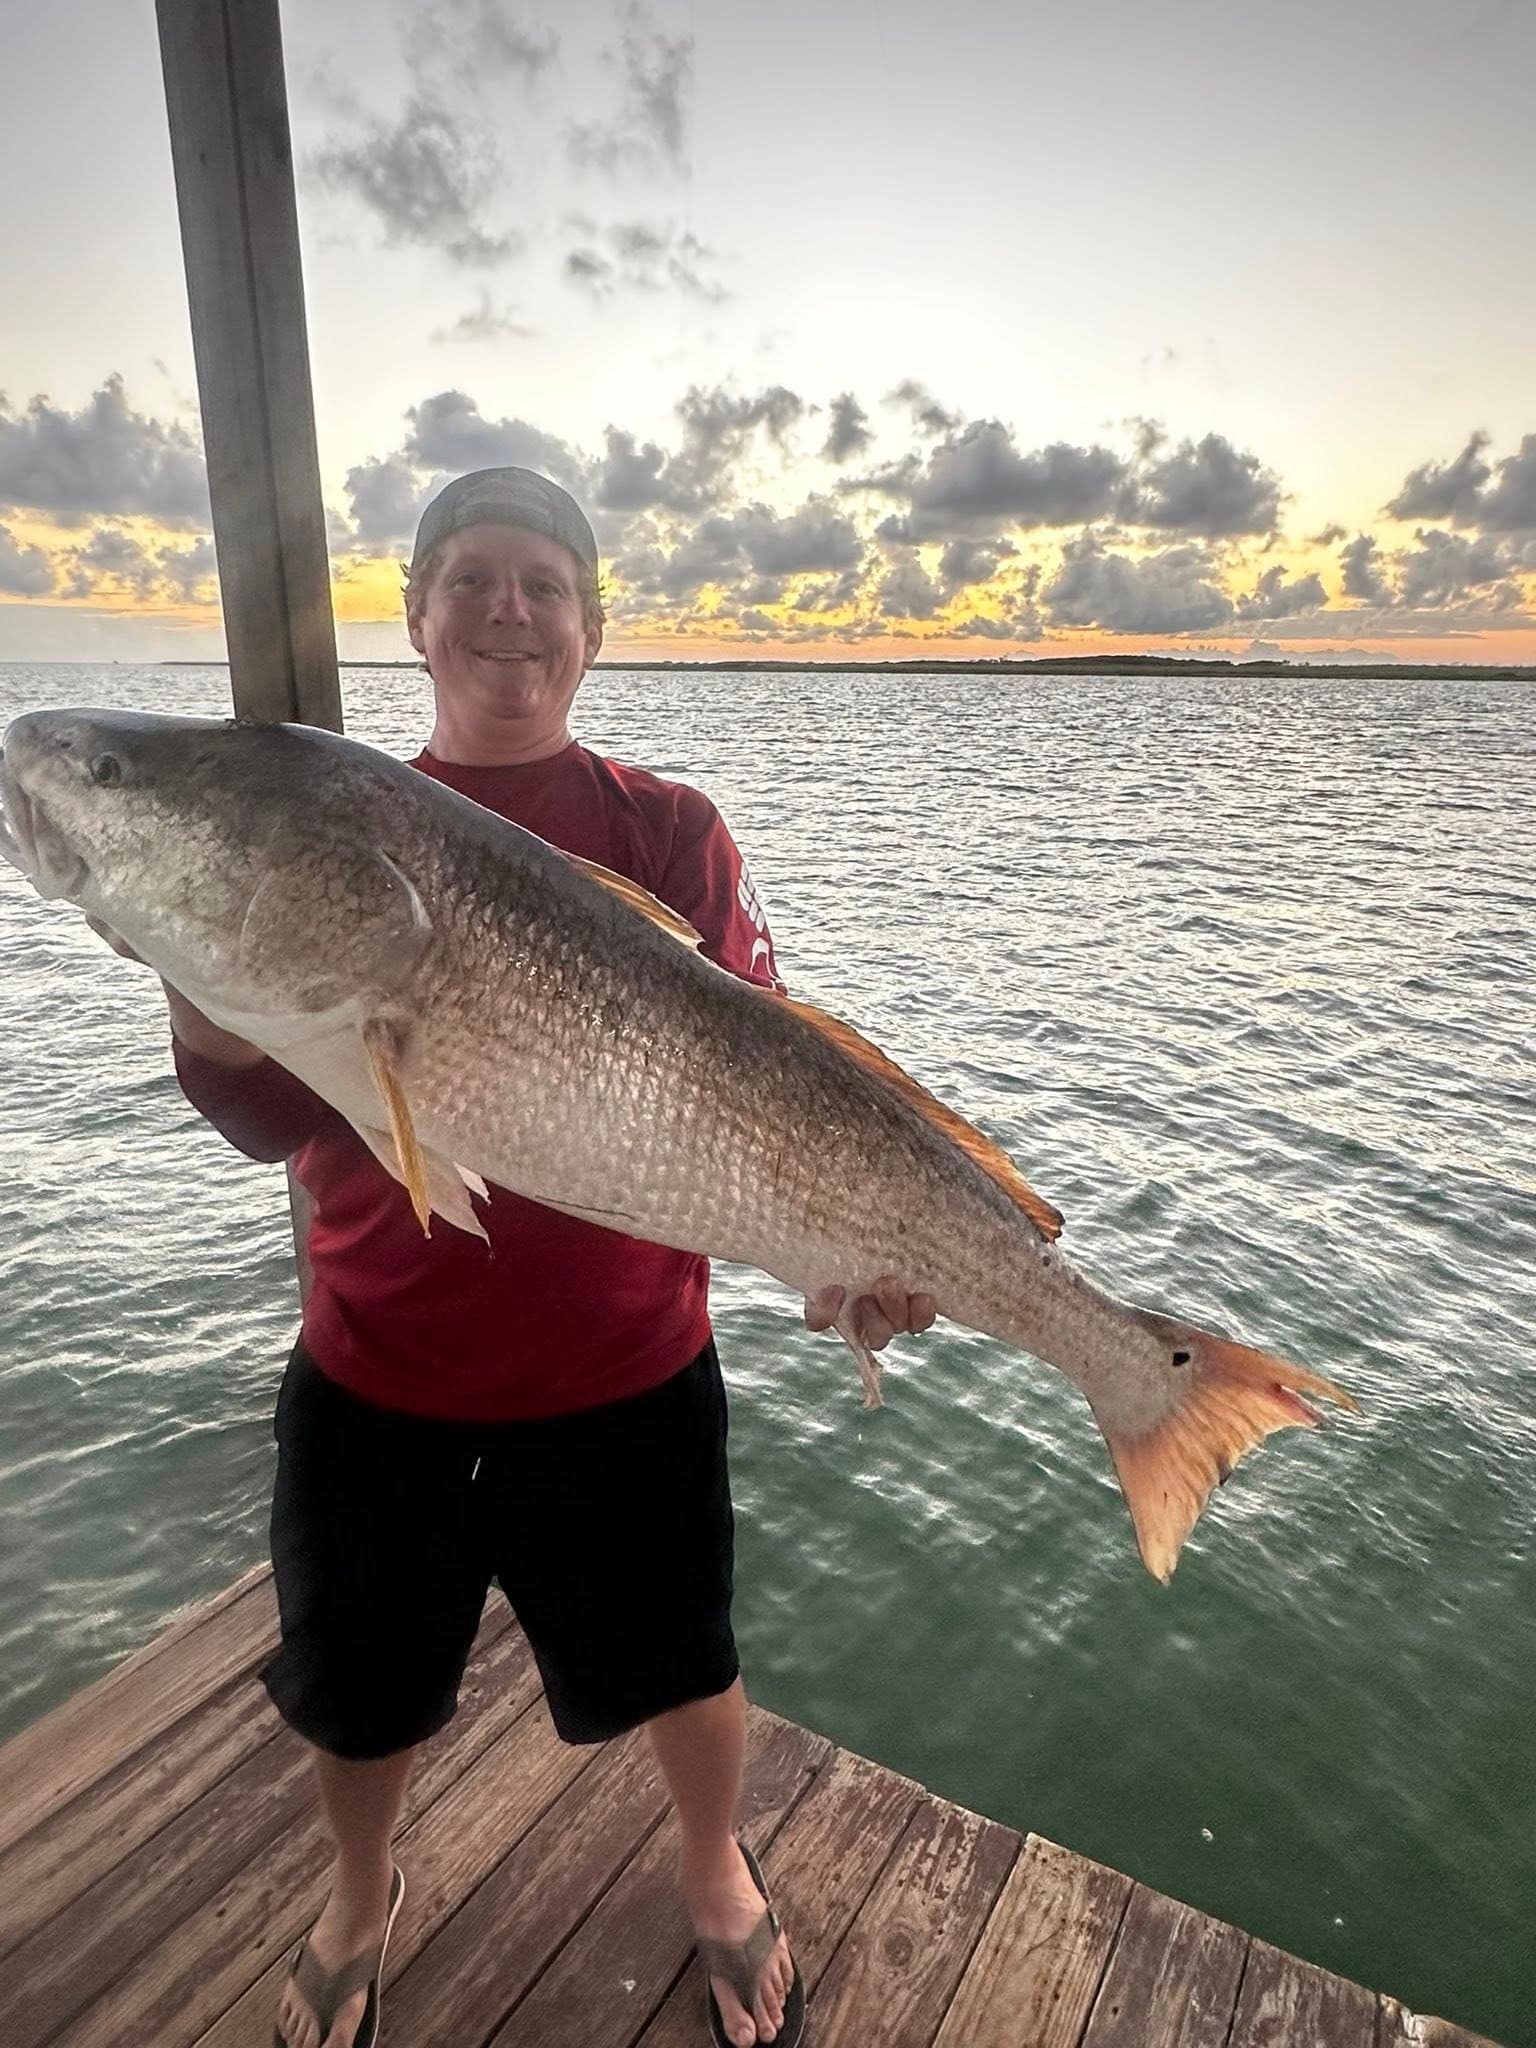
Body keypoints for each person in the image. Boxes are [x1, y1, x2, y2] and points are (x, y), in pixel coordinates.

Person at [99, 468, 935, 2048]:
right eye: (471, 578)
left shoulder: (670, 831)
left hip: (629, 1373)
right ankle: (360, 1894)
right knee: (360, 1693)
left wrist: (855, 1253)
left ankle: (711, 1871)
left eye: (544, 582)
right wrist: (195, 977)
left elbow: (767, 1086)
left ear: (592, 628)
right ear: (414, 615)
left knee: (688, 1665)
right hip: (378, 1366)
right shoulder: (330, 824)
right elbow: (266, 1122)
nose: (508, 610)